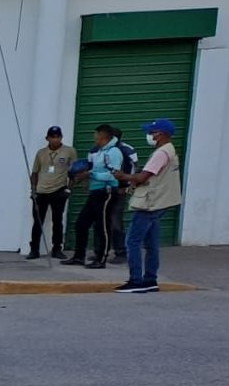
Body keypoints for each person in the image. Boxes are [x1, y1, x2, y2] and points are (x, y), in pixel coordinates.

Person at [112, 118, 184, 293]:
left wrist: (123, 176)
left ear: (161, 134)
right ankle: (150, 279)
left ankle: (136, 281)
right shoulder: (170, 150)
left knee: (132, 241)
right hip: (160, 202)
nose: (149, 135)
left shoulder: (161, 153)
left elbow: (142, 177)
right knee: (151, 243)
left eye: (152, 132)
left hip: (150, 203)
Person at [62, 124, 122, 269]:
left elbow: (113, 175)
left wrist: (91, 174)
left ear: (105, 138)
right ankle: (79, 256)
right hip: (95, 191)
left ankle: (101, 259)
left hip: (106, 192)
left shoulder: (113, 152)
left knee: (102, 226)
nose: (95, 140)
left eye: (97, 137)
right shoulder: (99, 152)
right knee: (81, 223)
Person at [27, 126, 77, 259]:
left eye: (58, 137)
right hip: (41, 191)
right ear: (47, 138)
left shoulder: (69, 151)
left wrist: (68, 189)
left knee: (57, 221)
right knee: (38, 221)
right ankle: (34, 249)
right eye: (52, 137)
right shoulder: (41, 153)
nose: (55, 139)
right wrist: (33, 190)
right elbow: (34, 172)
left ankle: (57, 249)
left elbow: (75, 172)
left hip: (59, 190)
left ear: (61, 137)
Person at [107, 127, 138, 264]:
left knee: (115, 221)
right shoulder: (102, 148)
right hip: (103, 189)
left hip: (119, 190)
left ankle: (120, 252)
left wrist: (126, 187)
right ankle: (101, 251)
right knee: (101, 221)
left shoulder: (127, 150)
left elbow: (133, 169)